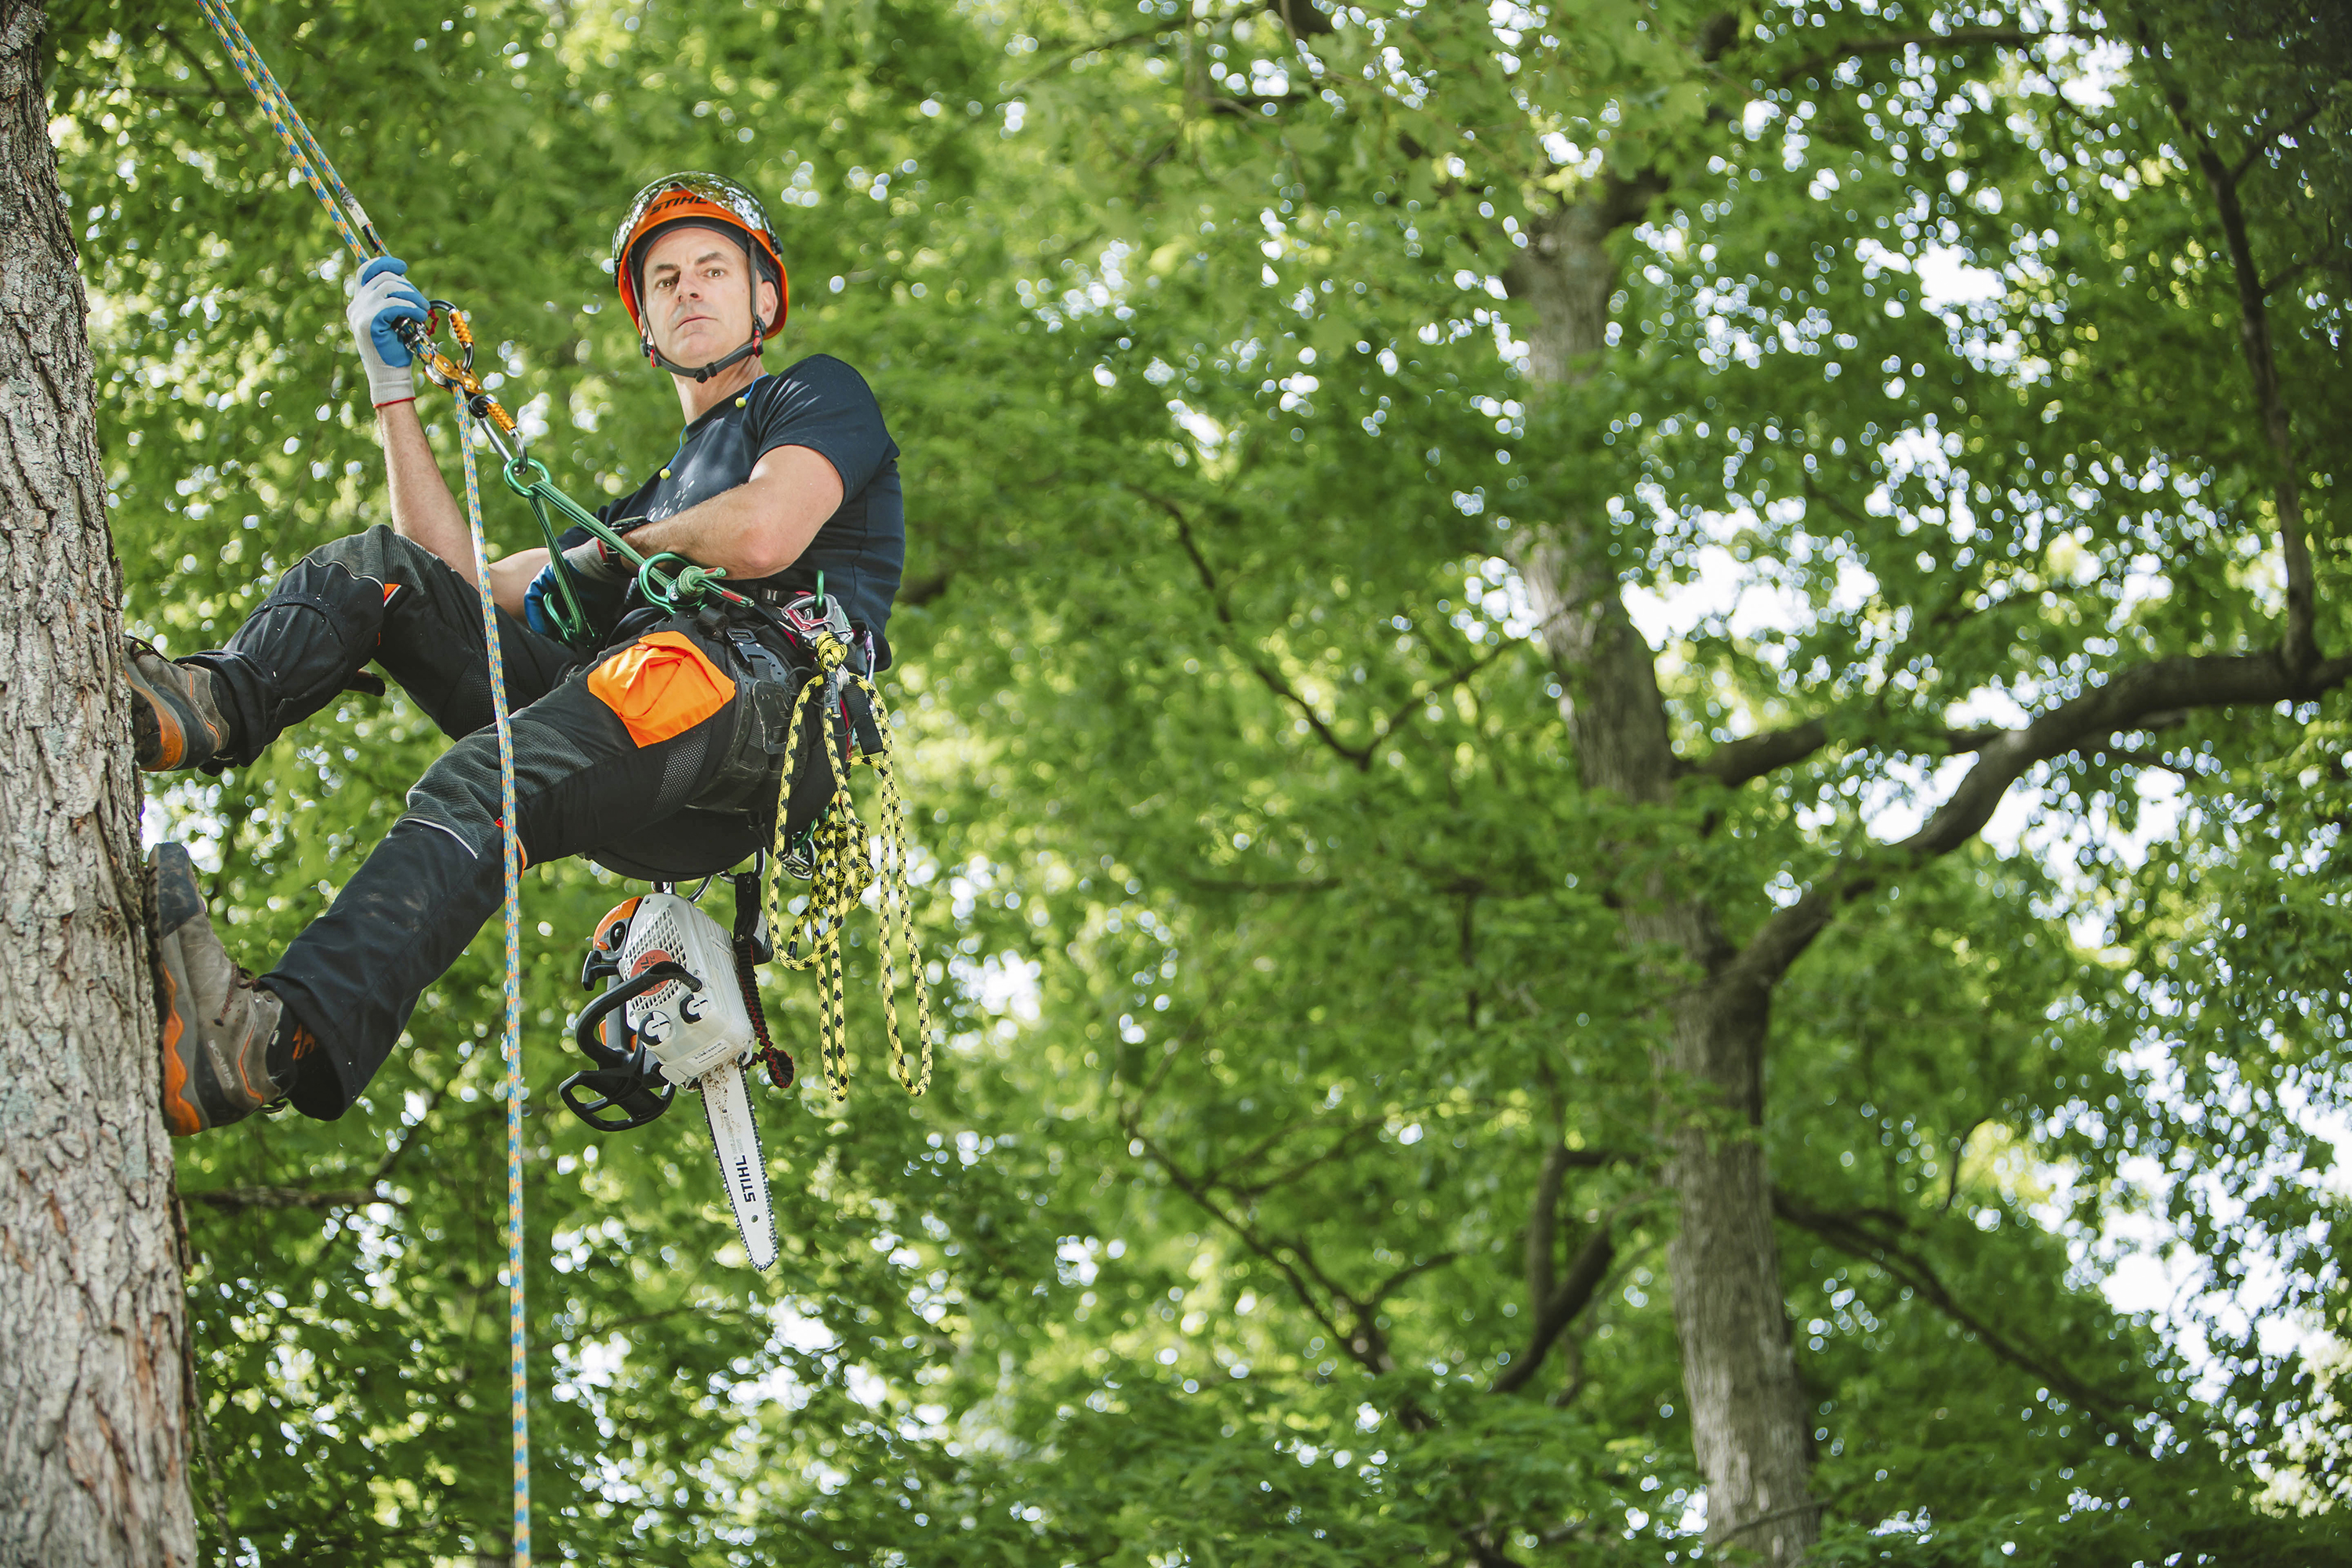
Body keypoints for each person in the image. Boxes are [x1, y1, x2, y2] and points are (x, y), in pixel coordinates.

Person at [134, 172, 905, 1136]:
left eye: (714, 269)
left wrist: (598, 561)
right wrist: (394, 391)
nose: (689, 289)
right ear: (645, 321)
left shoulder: (810, 396)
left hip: (746, 704)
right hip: (641, 738)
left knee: (483, 780)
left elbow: (766, 532)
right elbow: (447, 579)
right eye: (663, 279)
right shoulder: (647, 507)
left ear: (765, 300)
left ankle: (266, 1042)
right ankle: (205, 704)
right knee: (385, 573)